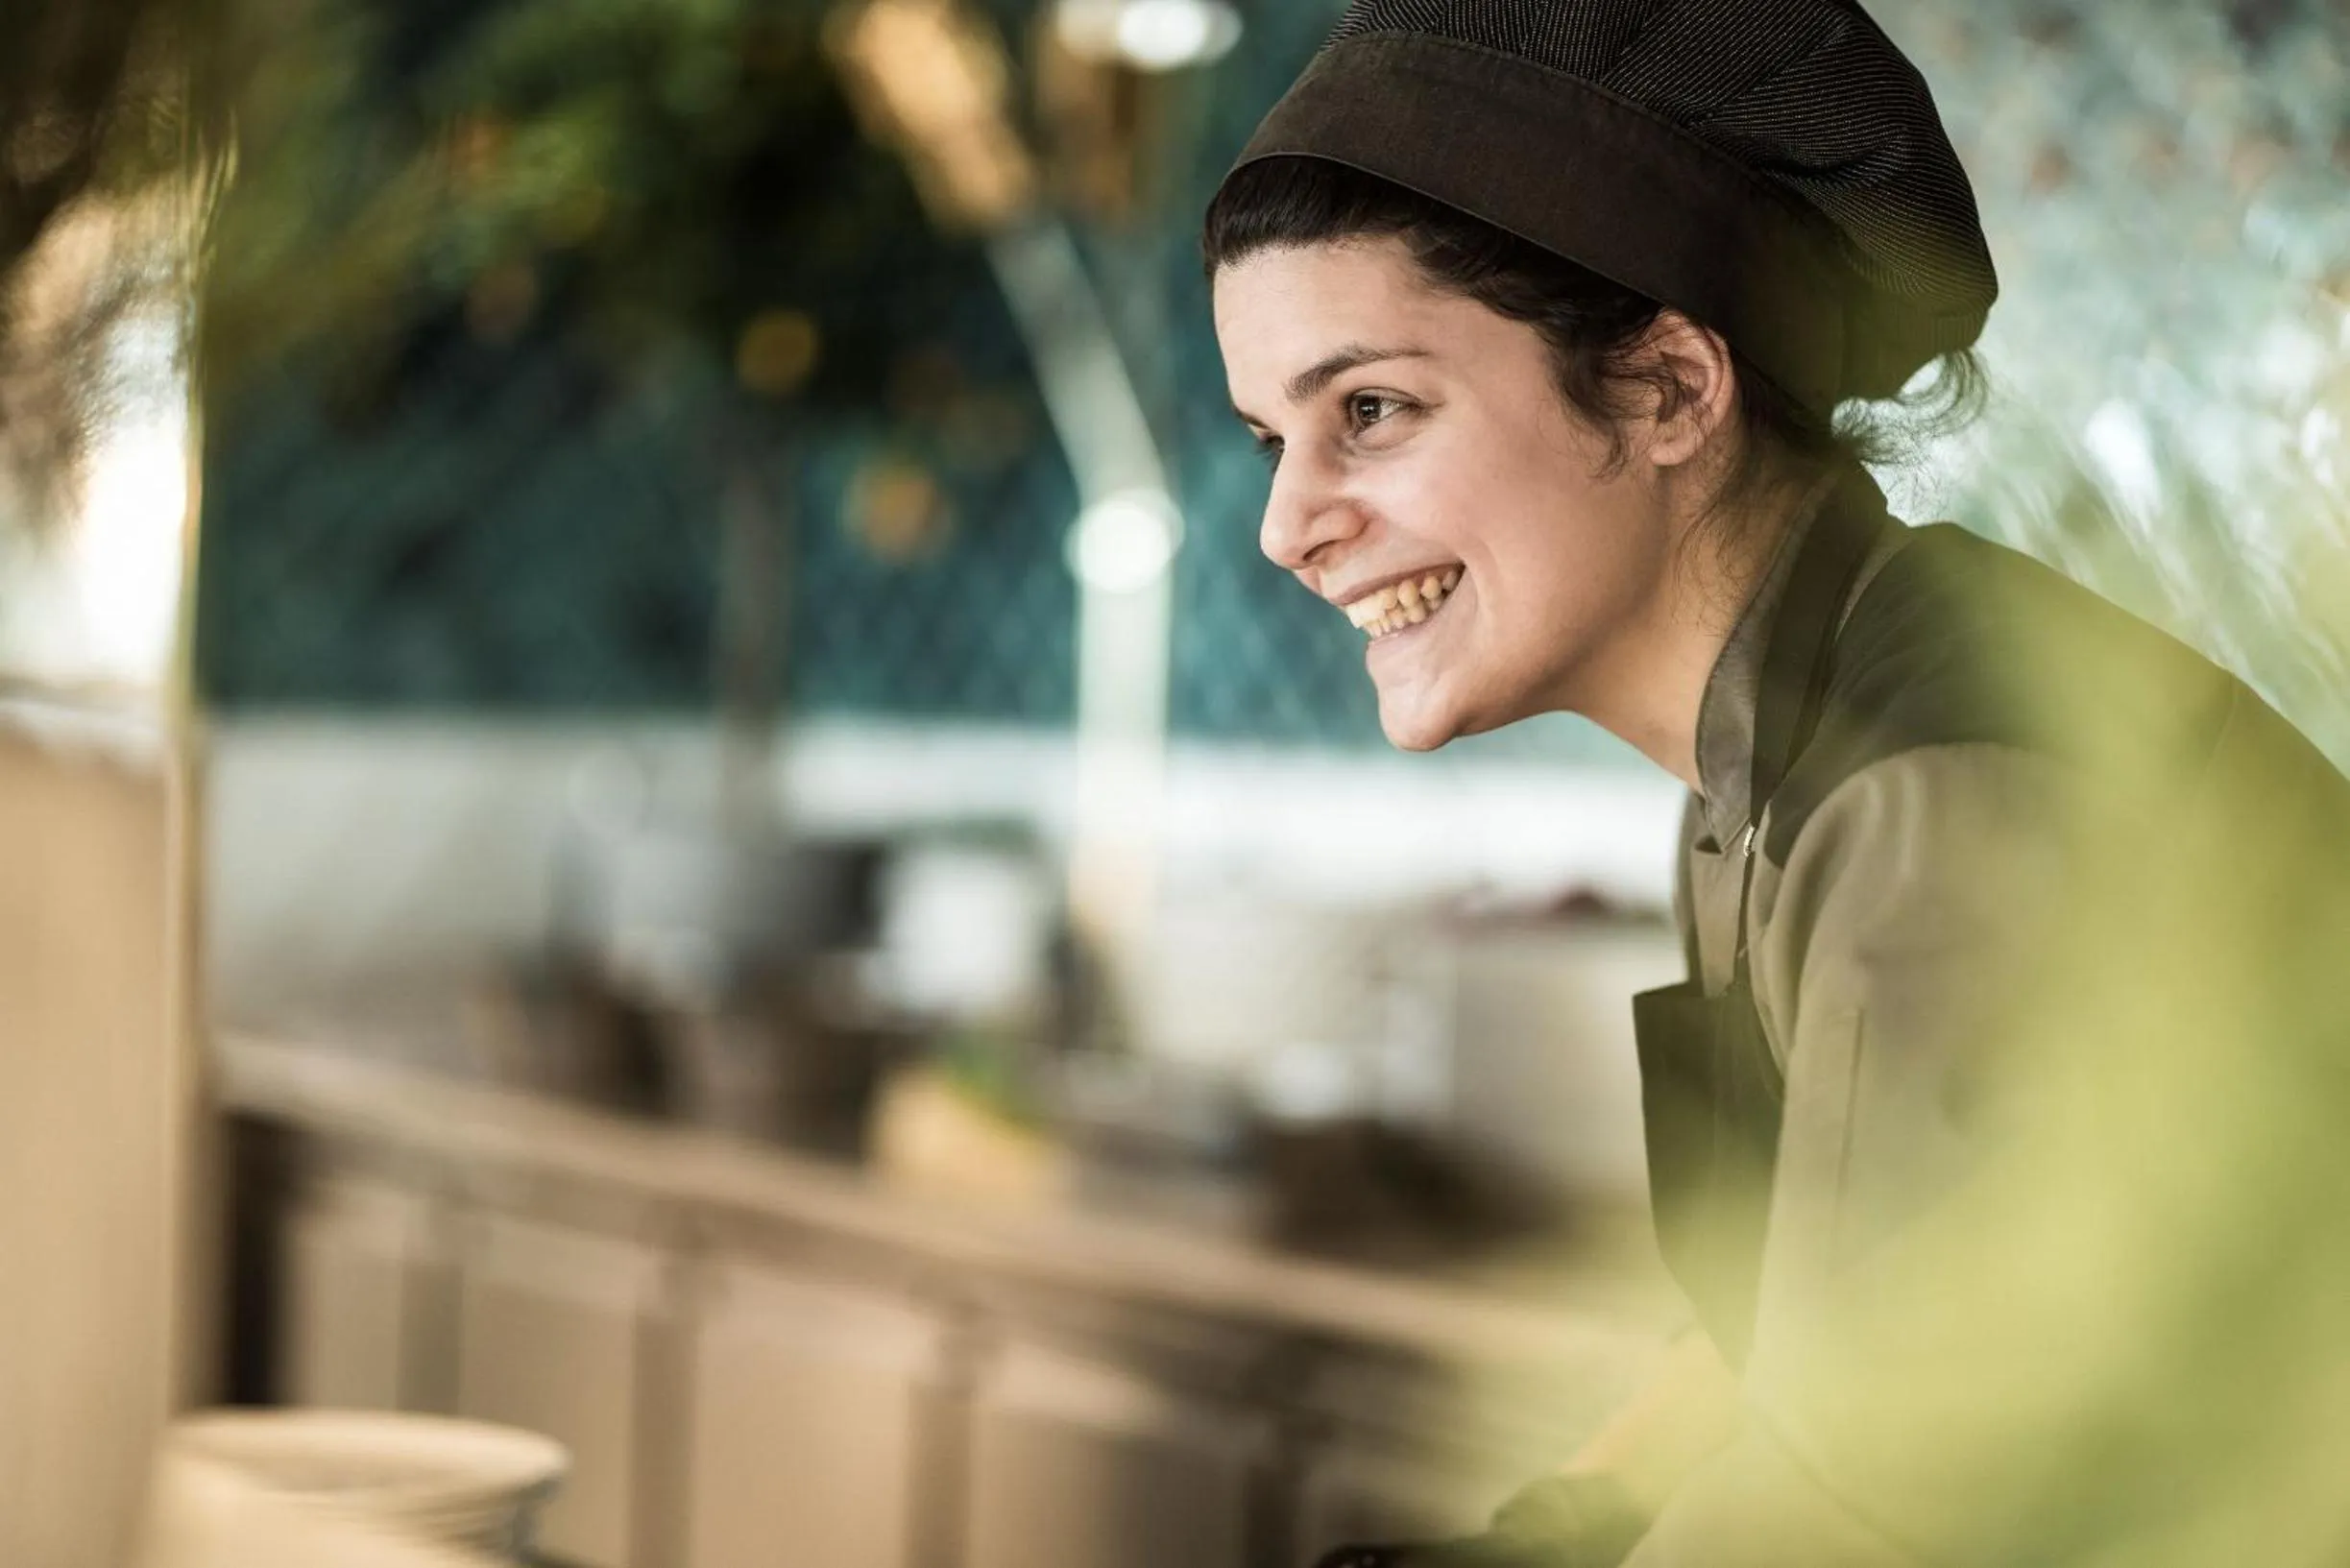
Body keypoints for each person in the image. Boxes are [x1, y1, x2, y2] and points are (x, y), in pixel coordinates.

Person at [1202, 4, 2350, 1565]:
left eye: (1371, 411)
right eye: (1271, 435)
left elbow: (1880, 1503)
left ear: (1672, 386)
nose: (1286, 525)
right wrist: (1557, 1528)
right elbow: (1788, 1348)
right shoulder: (1767, 767)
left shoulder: (1938, 788)